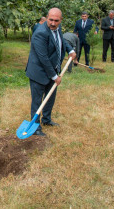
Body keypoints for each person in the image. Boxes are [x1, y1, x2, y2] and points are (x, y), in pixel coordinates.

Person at [26, 8, 77, 136]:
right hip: (38, 71)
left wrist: (70, 50)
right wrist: (55, 76)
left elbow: (62, 41)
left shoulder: (57, 29)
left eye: (56, 20)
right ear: (47, 18)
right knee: (38, 101)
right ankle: (36, 127)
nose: (53, 23)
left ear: (61, 20)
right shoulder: (40, 33)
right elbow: (43, 58)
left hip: (52, 69)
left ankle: (47, 120)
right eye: (51, 20)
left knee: (50, 97)